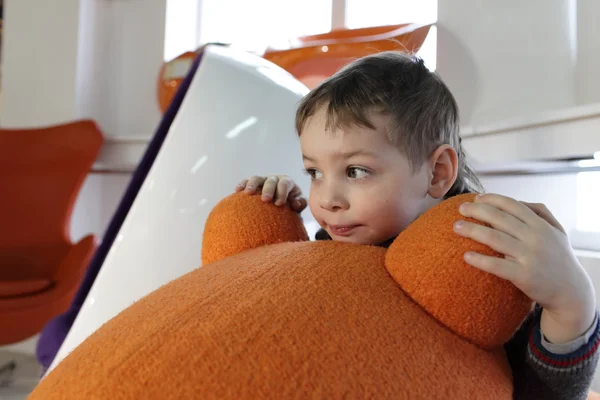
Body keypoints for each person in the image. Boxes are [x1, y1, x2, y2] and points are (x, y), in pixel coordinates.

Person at [235, 51, 599, 399]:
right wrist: (278, 214)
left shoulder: (482, 262)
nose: (327, 199)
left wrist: (572, 306)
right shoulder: (341, 235)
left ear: (437, 173)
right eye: (314, 172)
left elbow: (539, 392)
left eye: (356, 171)